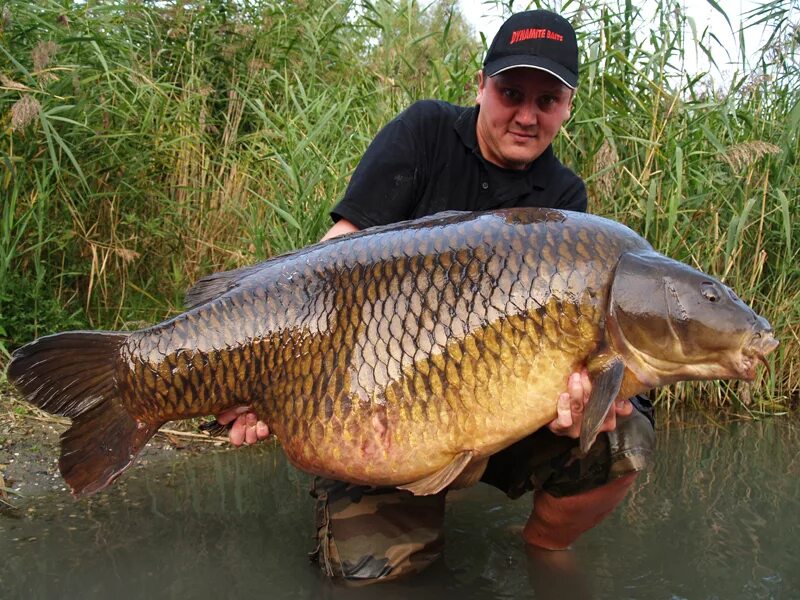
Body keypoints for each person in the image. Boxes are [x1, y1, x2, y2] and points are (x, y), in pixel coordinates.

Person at [218, 9, 655, 583]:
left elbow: (572, 356)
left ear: (568, 107)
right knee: (376, 579)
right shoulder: (424, 133)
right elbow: (331, 260)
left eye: (546, 100)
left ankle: (546, 553)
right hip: (379, 402)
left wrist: (579, 408)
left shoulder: (563, 199)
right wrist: (255, 368)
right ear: (481, 85)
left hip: (497, 411)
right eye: (511, 92)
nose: (526, 115)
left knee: (623, 433)